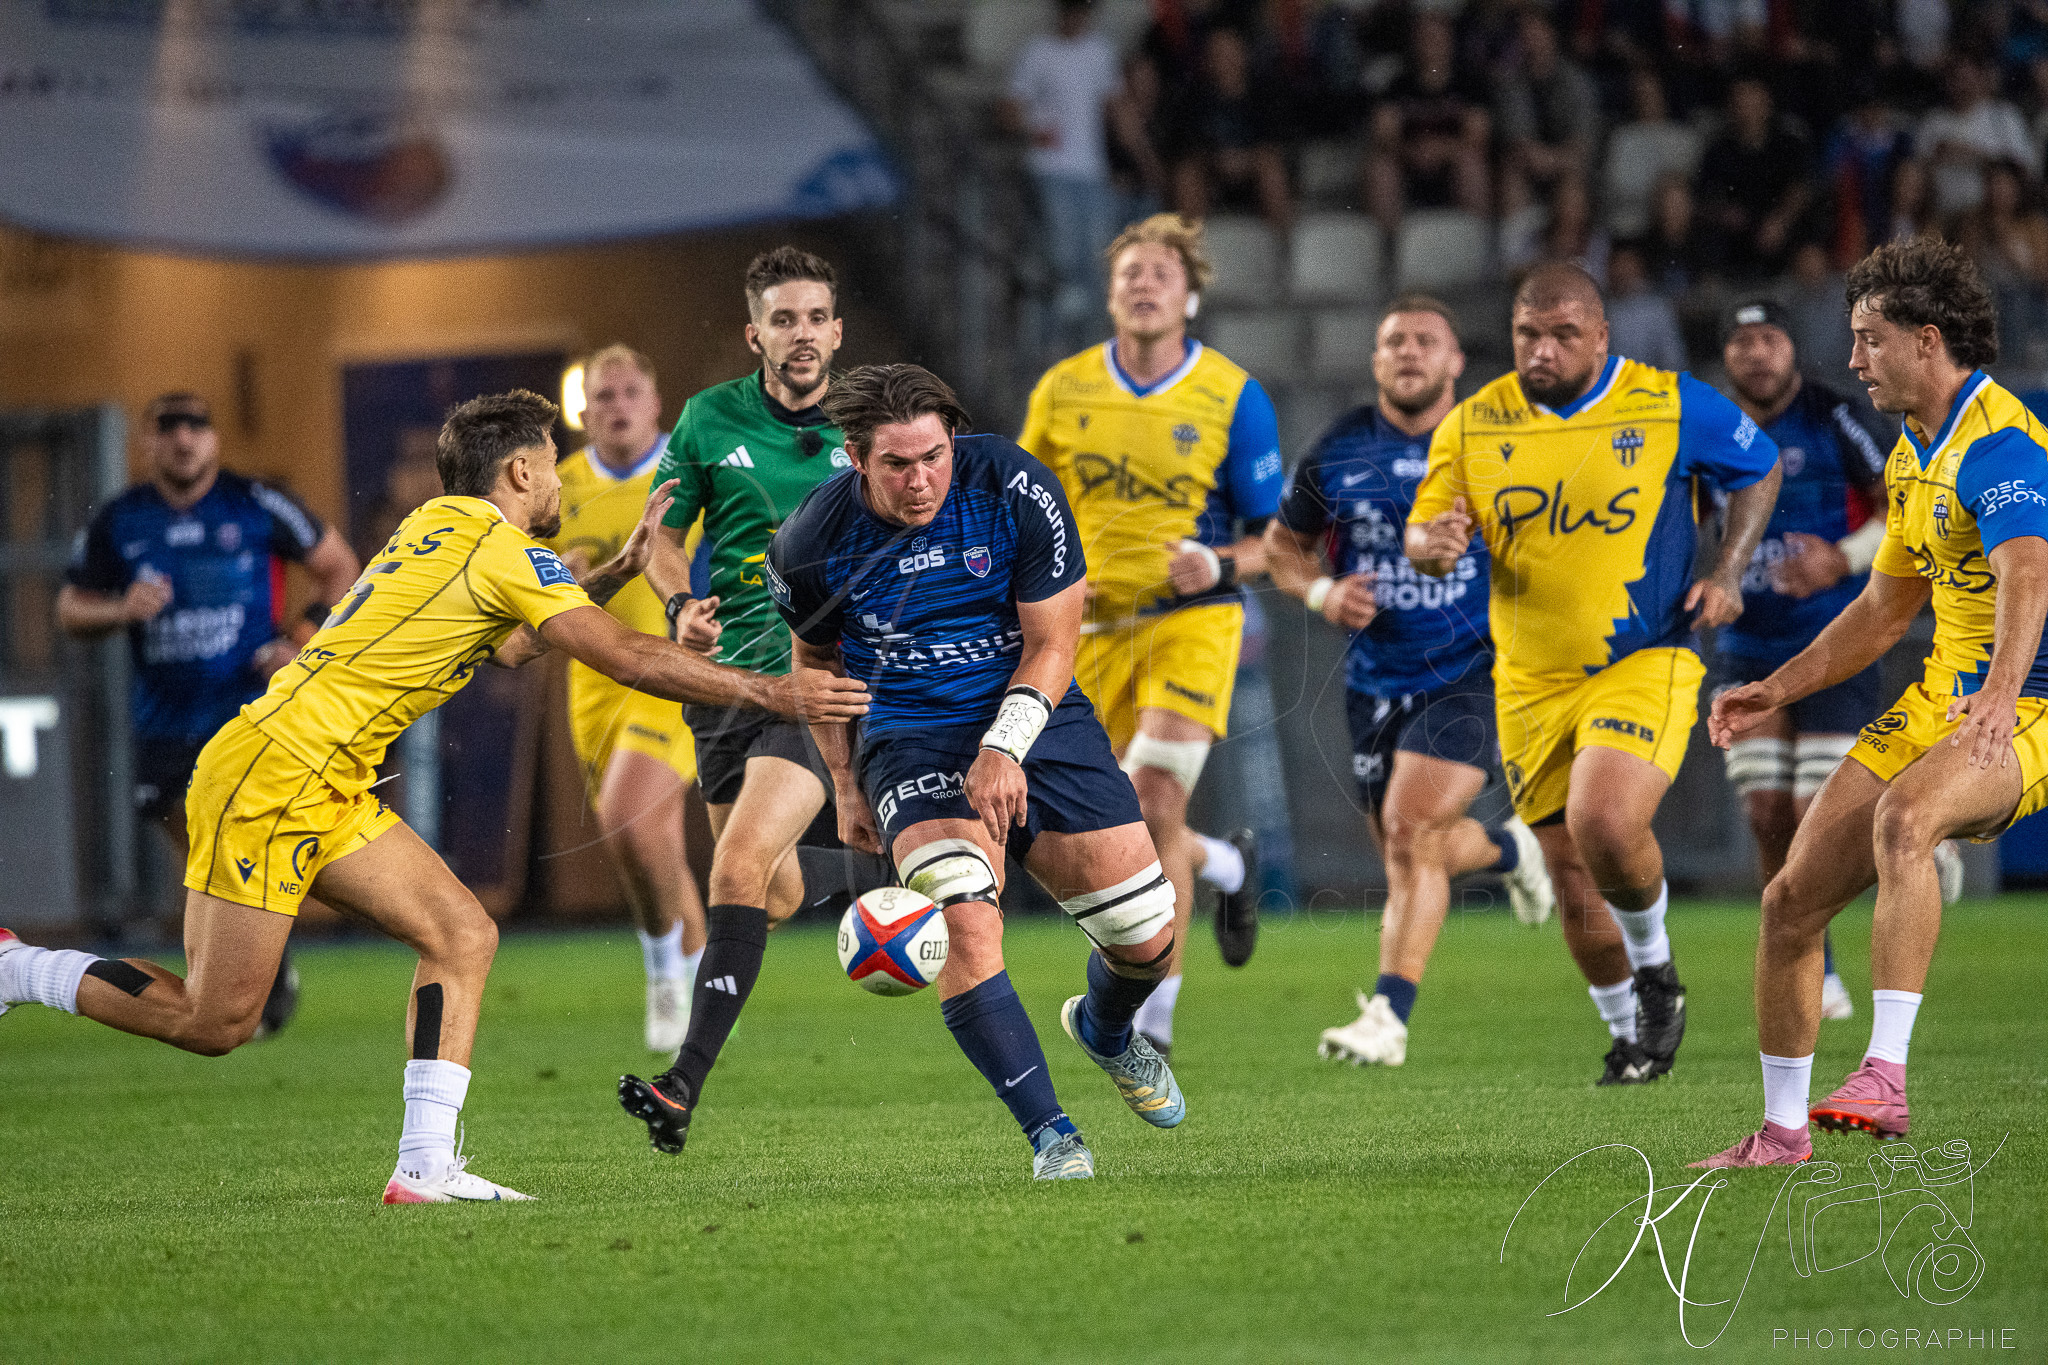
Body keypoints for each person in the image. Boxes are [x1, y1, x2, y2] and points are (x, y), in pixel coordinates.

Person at [2, 389, 869, 1201]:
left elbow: (513, 647)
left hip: (316, 774)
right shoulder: (501, 548)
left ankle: (424, 1167)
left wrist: (611, 574)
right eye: (551, 462)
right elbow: (626, 657)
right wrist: (776, 692)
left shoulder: (437, 526)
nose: (558, 479)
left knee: (460, 933)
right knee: (215, 1017)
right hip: (276, 772)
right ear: (523, 472)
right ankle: (19, 967)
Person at [1696, 239, 2048, 1168]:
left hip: (2033, 702)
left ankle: (1884, 1079)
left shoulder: (2000, 444)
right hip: (1946, 698)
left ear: (1928, 342)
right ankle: (1781, 1131)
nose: (1853, 360)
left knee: (1904, 820)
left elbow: (2031, 580)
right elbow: (1884, 609)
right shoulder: (1911, 452)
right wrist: (1779, 683)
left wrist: (2001, 700)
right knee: (1788, 902)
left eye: (1868, 340)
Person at [785, 363, 1183, 1180]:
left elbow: (1055, 645)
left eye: (934, 454)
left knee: (1146, 940)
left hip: (1036, 712)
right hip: (911, 736)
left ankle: (1106, 1029)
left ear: (953, 438)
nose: (921, 478)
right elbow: (813, 662)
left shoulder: (1012, 487)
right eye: (897, 464)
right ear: (855, 457)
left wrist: (1004, 744)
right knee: (963, 914)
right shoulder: (812, 540)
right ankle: (1053, 1137)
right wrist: (847, 781)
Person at [1407, 262, 1783, 1085]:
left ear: (1602, 336)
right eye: (1526, 334)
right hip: (1529, 680)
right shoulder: (1473, 424)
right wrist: (1429, 548)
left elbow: (1760, 467)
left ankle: (1656, 974)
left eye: (1562, 334)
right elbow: (1427, 530)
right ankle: (1632, 1039)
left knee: (1603, 821)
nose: (1541, 351)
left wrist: (1728, 570)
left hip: (1645, 655)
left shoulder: (1667, 403)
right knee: (1570, 874)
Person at [1264, 298, 1555, 1067]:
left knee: (1409, 832)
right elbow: (1282, 547)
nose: (1409, 352)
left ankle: (1389, 1016)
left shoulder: (1501, 442)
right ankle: (1509, 850)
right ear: (1374, 359)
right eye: (1394, 340)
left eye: (1427, 340)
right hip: (1373, 679)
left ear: (1457, 361)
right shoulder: (1342, 445)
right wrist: (1323, 593)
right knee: (1407, 852)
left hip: (1470, 671)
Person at [1019, 213, 1281, 1059]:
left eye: (1160, 273)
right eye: (1129, 271)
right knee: (1101, 830)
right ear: (1109, 292)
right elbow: (1020, 508)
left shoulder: (1233, 395)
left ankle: (1153, 1022)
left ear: (1191, 295)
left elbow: (1276, 542)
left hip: (1190, 625)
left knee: (1151, 801)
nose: (1142, 284)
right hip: (1087, 631)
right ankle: (1223, 866)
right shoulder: (1062, 390)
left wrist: (1219, 562)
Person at [618, 247, 864, 1147]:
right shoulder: (706, 418)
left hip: (818, 682)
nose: (801, 337)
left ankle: (682, 1085)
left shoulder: (868, 425)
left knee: (729, 870)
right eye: (783, 320)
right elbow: (660, 537)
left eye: (816, 319)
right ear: (754, 331)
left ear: (838, 330)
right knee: (777, 889)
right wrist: (680, 604)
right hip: (726, 679)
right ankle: (888, 877)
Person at [57, 390, 361, 1038]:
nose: (183, 438)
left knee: (242, 853)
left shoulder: (255, 503)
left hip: (247, 718)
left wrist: (300, 635)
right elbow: (70, 607)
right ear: (148, 441)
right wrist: (119, 609)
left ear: (214, 439)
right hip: (165, 724)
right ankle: (252, 980)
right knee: (203, 857)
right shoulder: (121, 519)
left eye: (195, 425)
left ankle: (236, 987)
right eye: (168, 427)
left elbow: (340, 568)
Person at [1710, 298, 1965, 1024]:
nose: (1757, 353)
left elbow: (1898, 505)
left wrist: (1839, 559)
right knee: (1766, 814)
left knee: (1809, 810)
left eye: (1769, 338)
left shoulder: (1835, 415)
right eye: (1743, 341)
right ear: (1728, 356)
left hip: (1835, 644)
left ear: (1790, 348)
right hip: (1748, 647)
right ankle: (1810, 961)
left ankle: (1915, 847)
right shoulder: (1714, 431)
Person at [546, 345, 708, 1052]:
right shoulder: (556, 483)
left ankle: (662, 972)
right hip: (593, 685)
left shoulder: (688, 467)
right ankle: (703, 981)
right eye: (602, 396)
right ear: (584, 411)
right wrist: (558, 571)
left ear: (655, 401)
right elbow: (525, 579)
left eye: (629, 392)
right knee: (648, 843)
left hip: (675, 674)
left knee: (629, 817)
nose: (616, 406)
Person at [1003, 0, 1126, 347]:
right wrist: (1031, 128)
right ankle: (1053, 344)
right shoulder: (1038, 53)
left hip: (1092, 171)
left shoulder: (1100, 52)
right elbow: (1009, 110)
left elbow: (1116, 111)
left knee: (1096, 262)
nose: (1077, 17)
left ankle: (1086, 346)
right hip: (1051, 168)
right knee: (1063, 258)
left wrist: (1143, 161)